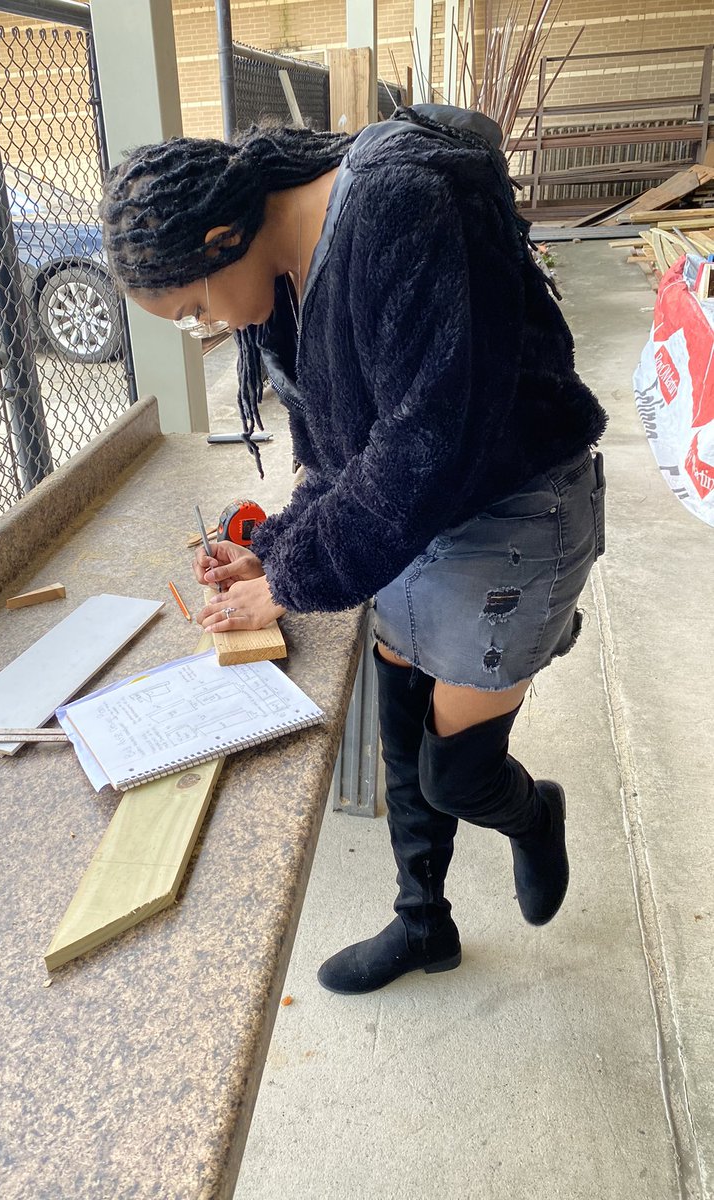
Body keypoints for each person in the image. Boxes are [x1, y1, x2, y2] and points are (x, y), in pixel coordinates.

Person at [100, 105, 607, 996]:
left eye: (191, 309)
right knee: (402, 730)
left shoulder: (396, 210)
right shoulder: (288, 262)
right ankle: (424, 926)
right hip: (419, 515)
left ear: (223, 235)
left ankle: (533, 814)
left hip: (509, 511)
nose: (204, 328)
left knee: (456, 774)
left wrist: (288, 584)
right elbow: (345, 455)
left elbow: (423, 451)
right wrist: (277, 550)